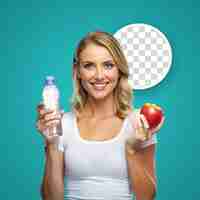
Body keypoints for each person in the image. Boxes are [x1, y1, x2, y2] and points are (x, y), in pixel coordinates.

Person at [36, 31, 164, 200]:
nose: (99, 75)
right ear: (77, 71)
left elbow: (146, 196)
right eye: (89, 65)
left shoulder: (138, 122)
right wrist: (51, 145)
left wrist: (132, 149)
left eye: (108, 65)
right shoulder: (62, 124)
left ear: (119, 70)